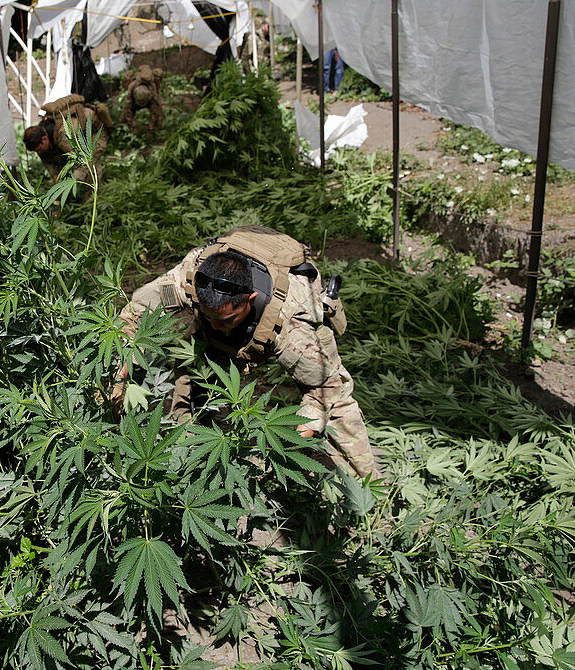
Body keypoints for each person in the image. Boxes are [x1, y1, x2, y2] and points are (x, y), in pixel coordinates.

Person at [116, 225, 377, 478]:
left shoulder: (292, 326)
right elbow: (135, 313)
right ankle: (192, 449)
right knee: (199, 366)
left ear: (250, 300)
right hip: (237, 291)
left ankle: (366, 484)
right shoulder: (190, 274)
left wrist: (289, 442)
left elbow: (323, 389)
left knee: (339, 403)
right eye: (210, 317)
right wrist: (119, 373)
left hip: (290, 319)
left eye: (227, 319)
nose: (218, 326)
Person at [22, 93, 112, 188]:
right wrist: (56, 177)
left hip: (96, 132)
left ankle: (93, 198)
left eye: (39, 149)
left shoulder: (63, 136)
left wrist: (71, 183)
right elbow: (48, 162)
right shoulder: (41, 137)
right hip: (79, 136)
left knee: (90, 168)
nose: (39, 152)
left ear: (44, 139)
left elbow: (83, 160)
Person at [120, 64, 164, 133]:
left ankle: (158, 130)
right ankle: (121, 129)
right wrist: (133, 125)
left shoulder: (152, 89)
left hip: (150, 99)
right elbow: (127, 109)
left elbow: (155, 112)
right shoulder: (131, 89)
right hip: (134, 102)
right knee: (124, 117)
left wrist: (151, 127)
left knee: (158, 112)